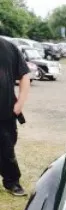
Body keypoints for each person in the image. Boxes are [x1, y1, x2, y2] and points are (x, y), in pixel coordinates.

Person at [0, 37, 30, 196]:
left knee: (7, 149)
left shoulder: (9, 48)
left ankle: (12, 182)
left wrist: (20, 104)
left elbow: (24, 75)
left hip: (5, 111)